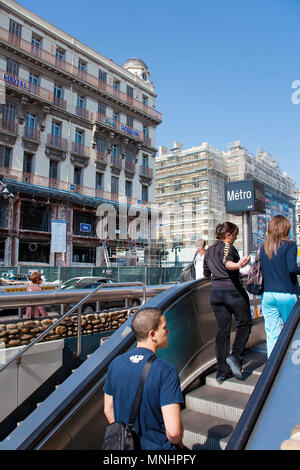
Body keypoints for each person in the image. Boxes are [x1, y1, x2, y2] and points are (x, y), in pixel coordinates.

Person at [103, 307, 184, 450]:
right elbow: (173, 432)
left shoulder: (115, 364)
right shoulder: (166, 371)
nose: (168, 331)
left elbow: (108, 410)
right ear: (152, 334)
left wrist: (126, 437)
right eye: (164, 328)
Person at [203, 222, 252, 383]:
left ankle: (221, 372)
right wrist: (238, 265)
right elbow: (227, 262)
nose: (236, 238)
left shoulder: (209, 250)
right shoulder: (227, 247)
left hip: (215, 293)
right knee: (244, 323)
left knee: (222, 331)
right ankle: (235, 356)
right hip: (232, 292)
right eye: (235, 234)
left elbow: (206, 273)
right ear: (228, 234)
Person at [260, 215, 300, 357]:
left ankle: (272, 364)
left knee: (272, 333)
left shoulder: (264, 247)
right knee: (293, 330)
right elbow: (292, 268)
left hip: (268, 296)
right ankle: (292, 363)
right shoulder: (290, 245)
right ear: (285, 229)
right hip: (286, 294)